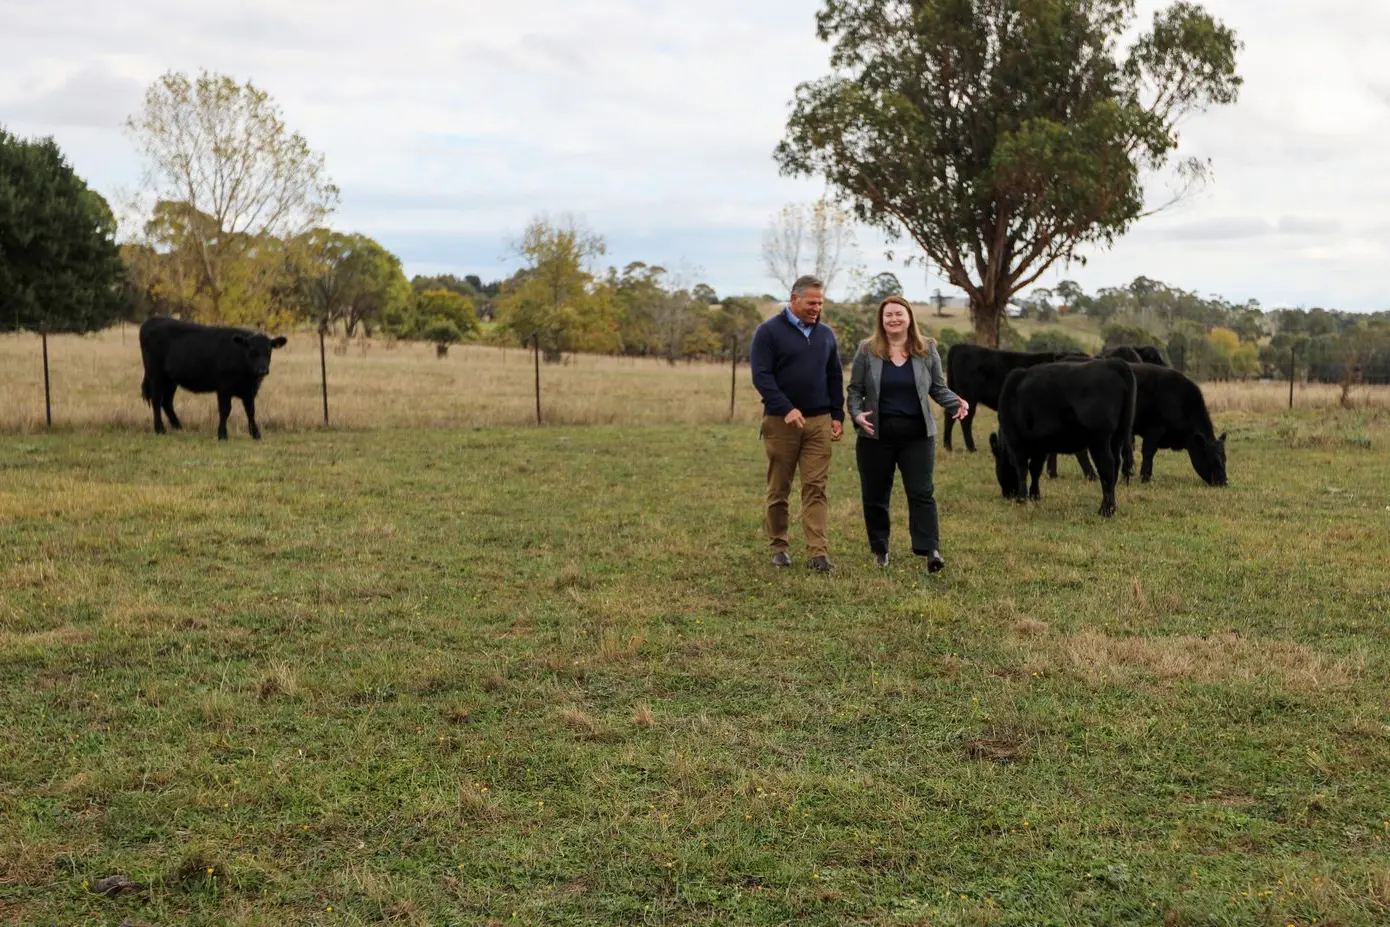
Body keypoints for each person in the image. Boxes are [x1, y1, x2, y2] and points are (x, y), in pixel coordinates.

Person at [846, 295, 969, 573]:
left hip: (917, 436)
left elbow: (937, 388)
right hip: (876, 436)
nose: (894, 319)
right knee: (876, 494)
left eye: (899, 314)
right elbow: (855, 390)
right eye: (888, 315)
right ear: (882, 320)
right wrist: (856, 414)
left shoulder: (927, 349)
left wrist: (955, 403)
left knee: (922, 492)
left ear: (909, 317)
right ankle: (880, 548)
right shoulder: (867, 350)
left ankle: (930, 549)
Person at [749, 274, 845, 572]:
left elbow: (834, 377)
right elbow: (761, 377)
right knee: (780, 487)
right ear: (794, 299)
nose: (816, 308)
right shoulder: (768, 333)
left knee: (815, 487)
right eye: (811, 302)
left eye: (820, 302)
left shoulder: (826, 334)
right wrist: (786, 408)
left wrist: (838, 415)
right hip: (781, 423)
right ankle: (779, 545)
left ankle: (818, 553)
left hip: (819, 421)